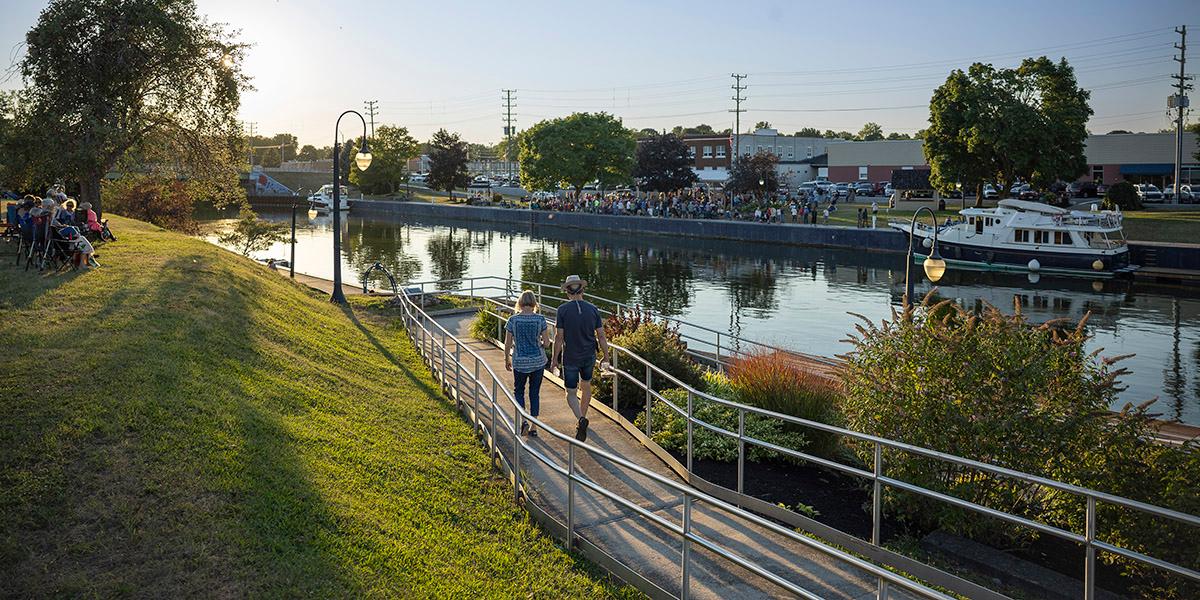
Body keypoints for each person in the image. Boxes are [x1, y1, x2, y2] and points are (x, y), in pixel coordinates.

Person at [550, 275, 609, 442]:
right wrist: (606, 356)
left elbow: (559, 338)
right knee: (586, 385)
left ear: (567, 292)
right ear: (582, 290)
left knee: (570, 392)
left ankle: (581, 419)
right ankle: (582, 417)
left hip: (570, 357)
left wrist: (554, 359)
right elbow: (602, 336)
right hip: (589, 355)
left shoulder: (562, 310)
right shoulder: (593, 309)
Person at [504, 290, 550, 437]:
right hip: (538, 361)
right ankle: (534, 427)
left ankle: (523, 420)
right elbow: (547, 343)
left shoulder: (513, 320)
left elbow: (508, 342)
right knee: (534, 393)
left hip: (520, 361)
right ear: (534, 303)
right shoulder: (540, 319)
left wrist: (507, 358)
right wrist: (540, 343)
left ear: (520, 302)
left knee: (519, 391)